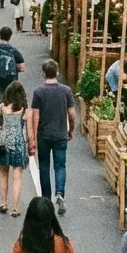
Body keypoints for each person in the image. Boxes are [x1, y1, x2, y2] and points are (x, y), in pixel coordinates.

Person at [30, 60, 77, 213]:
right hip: (60, 134)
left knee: (44, 167)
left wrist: (34, 138)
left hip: (44, 135)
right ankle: (60, 193)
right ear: (57, 72)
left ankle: (46, 200)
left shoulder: (38, 92)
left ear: (43, 73)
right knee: (60, 166)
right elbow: (72, 114)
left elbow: (35, 116)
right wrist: (71, 129)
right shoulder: (66, 91)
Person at [0, 81, 34, 216]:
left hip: (2, 143)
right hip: (18, 144)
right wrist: (31, 147)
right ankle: (15, 208)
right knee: (17, 176)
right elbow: (30, 133)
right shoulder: (26, 111)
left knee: (3, 172)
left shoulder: (1, 108)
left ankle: (3, 203)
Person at [0, 26, 26, 108]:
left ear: (0, 36)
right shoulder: (14, 51)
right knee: (11, 109)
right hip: (12, 85)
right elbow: (22, 68)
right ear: (10, 36)